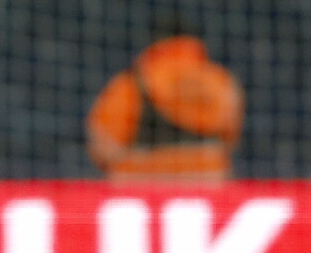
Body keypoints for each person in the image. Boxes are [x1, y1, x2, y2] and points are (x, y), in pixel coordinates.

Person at [87, 17, 244, 183]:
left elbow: (104, 147)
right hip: (209, 182)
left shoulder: (130, 83)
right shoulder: (220, 80)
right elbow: (230, 137)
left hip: (142, 184)